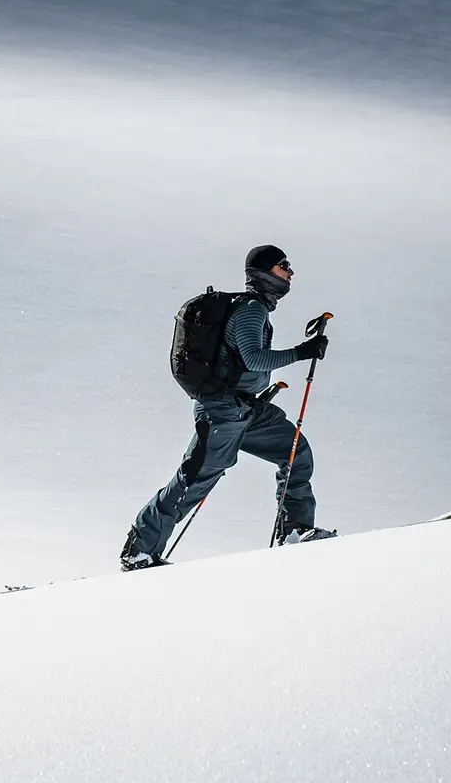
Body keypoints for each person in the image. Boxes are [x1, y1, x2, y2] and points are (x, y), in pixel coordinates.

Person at [120, 244, 336, 571]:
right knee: (194, 481)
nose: (290, 272)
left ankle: (295, 531)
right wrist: (301, 352)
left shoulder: (254, 308)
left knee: (295, 451)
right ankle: (139, 552)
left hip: (245, 409)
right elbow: (254, 358)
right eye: (283, 265)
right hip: (223, 412)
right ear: (264, 272)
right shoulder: (251, 310)